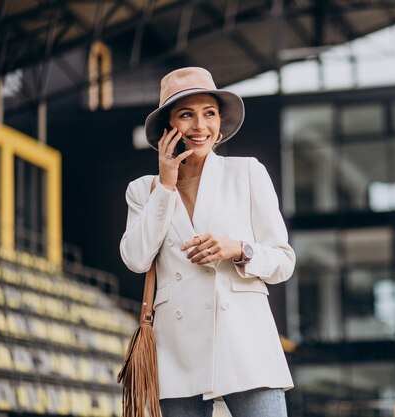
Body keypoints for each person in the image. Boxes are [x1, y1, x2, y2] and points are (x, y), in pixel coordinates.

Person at [119, 67, 295, 417]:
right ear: (168, 127)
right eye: (187, 115)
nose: (200, 126)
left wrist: (239, 249)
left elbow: (283, 260)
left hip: (245, 342)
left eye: (209, 114)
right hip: (177, 350)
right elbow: (136, 259)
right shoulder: (143, 190)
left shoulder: (247, 173)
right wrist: (165, 187)